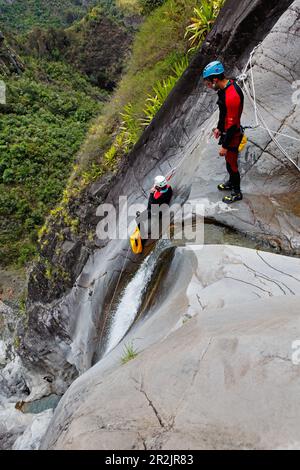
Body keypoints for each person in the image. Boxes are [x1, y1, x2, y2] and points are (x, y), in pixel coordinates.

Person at [203, 60, 244, 204]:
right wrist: (219, 128)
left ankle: (236, 192)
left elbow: (232, 125)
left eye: (208, 83)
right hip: (227, 130)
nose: (208, 86)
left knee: (232, 163)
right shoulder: (223, 89)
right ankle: (231, 182)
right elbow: (223, 113)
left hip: (233, 134)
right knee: (228, 161)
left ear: (215, 79)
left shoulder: (232, 95)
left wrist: (225, 146)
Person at [136, 175, 173, 246]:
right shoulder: (169, 188)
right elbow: (164, 188)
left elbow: (149, 207)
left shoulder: (156, 197)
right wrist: (157, 188)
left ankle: (143, 236)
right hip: (164, 207)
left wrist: (151, 193)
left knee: (138, 218)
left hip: (157, 213)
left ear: (158, 187)